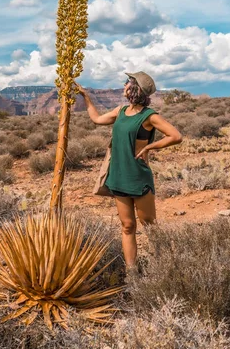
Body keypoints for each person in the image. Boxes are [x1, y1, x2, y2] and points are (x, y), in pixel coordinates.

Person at [75, 71, 182, 270]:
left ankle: (165, 267)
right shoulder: (120, 111)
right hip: (118, 177)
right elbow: (97, 119)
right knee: (127, 226)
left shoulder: (149, 116)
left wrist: (150, 147)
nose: (123, 85)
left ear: (134, 88)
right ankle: (131, 273)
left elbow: (175, 136)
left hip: (138, 178)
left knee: (150, 226)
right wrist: (86, 97)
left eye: (126, 82)